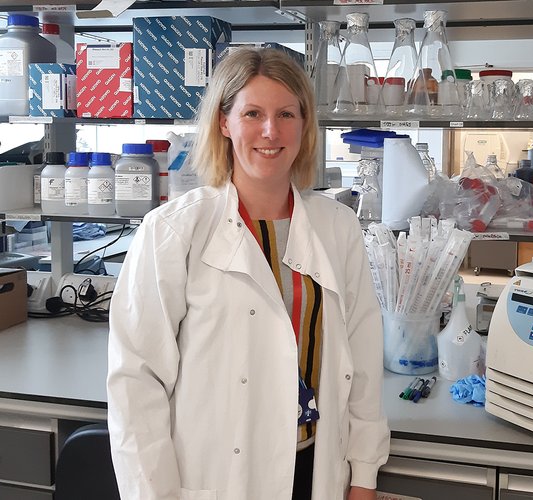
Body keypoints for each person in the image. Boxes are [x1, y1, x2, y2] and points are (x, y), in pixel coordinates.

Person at [107, 48, 390, 500]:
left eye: (286, 114)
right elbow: (136, 382)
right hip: (217, 477)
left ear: (304, 124)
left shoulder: (337, 226)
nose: (270, 131)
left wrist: (364, 476)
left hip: (315, 468)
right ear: (224, 122)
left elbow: (362, 359)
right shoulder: (175, 230)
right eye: (253, 113)